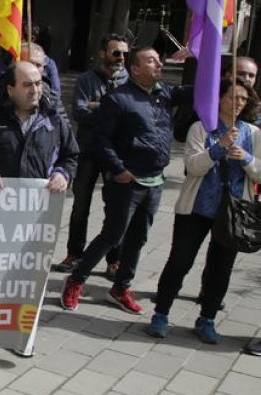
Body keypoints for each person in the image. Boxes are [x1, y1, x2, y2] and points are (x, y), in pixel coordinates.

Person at [61, 47, 193, 314]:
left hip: (155, 182)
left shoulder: (164, 94)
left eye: (159, 59)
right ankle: (76, 280)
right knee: (113, 235)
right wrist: (118, 168)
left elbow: (202, 90)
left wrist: (204, 56)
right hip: (126, 181)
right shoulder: (118, 99)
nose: (159, 64)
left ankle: (121, 287)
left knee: (138, 238)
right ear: (135, 69)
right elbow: (101, 139)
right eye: (151, 61)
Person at [145, 79, 261, 343]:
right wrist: (218, 147)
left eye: (244, 99)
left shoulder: (254, 134)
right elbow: (193, 167)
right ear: (220, 98)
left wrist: (246, 159)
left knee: (221, 268)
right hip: (197, 208)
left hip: (233, 213)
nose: (238, 103)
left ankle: (207, 318)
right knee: (180, 261)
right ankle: (161, 314)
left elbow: (260, 173)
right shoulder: (201, 129)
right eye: (233, 97)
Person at [55, 33, 129, 273]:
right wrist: (113, 109)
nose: (121, 57)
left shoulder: (130, 81)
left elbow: (130, 116)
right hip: (87, 150)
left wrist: (98, 105)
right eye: (116, 52)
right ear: (102, 54)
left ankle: (114, 260)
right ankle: (74, 254)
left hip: (116, 154)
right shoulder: (87, 79)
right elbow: (79, 112)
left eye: (125, 53)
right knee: (80, 206)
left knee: (116, 207)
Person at [0, 61, 76, 193]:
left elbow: (71, 156)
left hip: (39, 206)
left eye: (38, 83)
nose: (34, 90)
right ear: (10, 90)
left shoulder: (54, 119)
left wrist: (62, 174)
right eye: (27, 85)